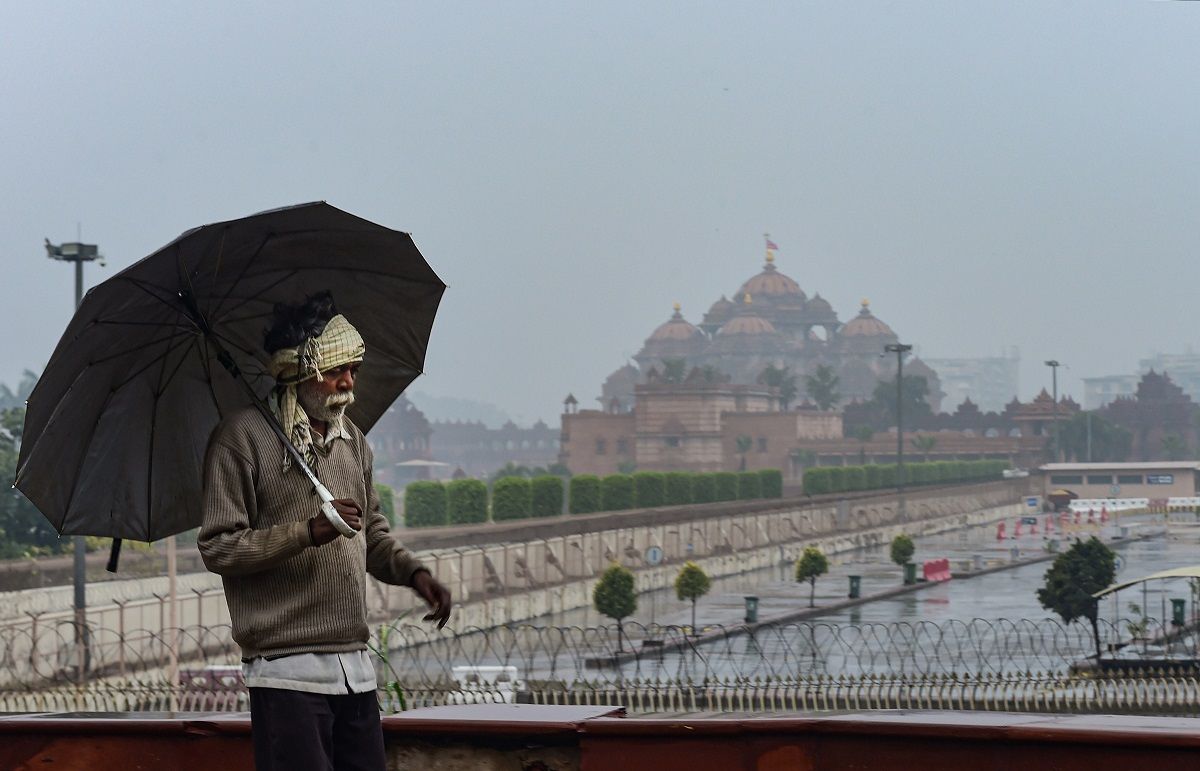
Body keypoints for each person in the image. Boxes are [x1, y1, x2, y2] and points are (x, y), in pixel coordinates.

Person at [199, 291, 451, 771]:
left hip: (353, 668)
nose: (349, 381)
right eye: (337, 370)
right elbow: (219, 547)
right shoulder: (241, 439)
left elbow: (370, 533)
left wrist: (416, 575)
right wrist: (306, 532)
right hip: (287, 674)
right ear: (299, 373)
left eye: (353, 369)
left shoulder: (351, 440)